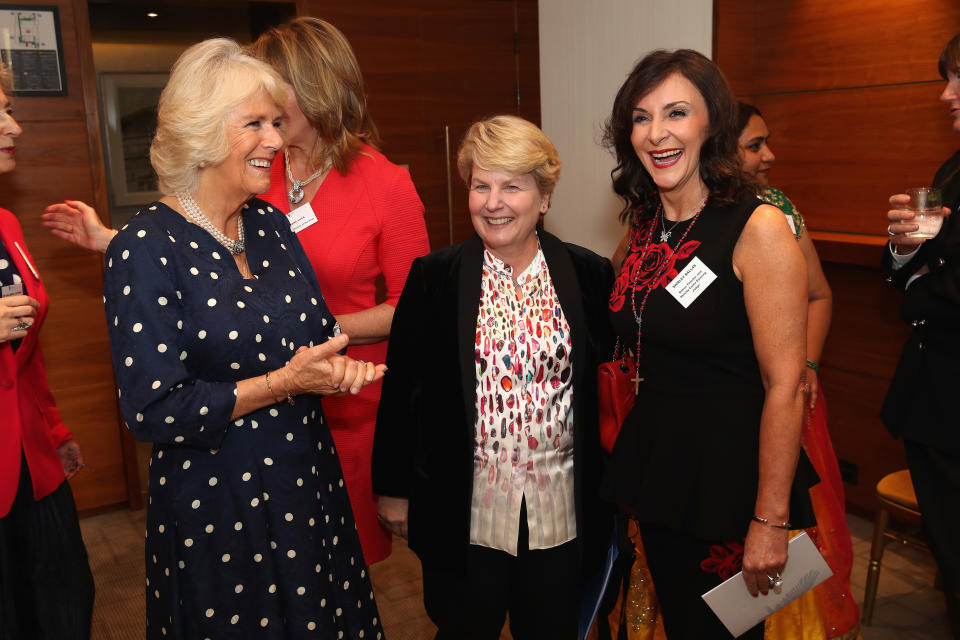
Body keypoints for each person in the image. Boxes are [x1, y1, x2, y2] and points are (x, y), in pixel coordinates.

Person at [43, 16, 430, 566]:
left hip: (340, 401)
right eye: (254, 115)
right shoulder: (252, 177)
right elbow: (192, 256)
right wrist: (116, 244)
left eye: (274, 101)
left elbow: (411, 309)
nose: (268, 130)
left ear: (313, 87)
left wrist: (316, 345)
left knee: (334, 568)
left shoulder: (376, 184)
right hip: (244, 423)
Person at [100, 39, 385, 639]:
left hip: (306, 485)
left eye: (277, 123)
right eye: (254, 123)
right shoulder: (145, 247)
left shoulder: (271, 224)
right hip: (219, 506)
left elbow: (311, 334)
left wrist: (331, 371)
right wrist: (284, 383)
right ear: (202, 136)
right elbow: (153, 410)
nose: (276, 141)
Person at [600, 49, 818, 639]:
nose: (658, 133)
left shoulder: (759, 227)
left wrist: (769, 520)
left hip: (728, 481)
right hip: (662, 465)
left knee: (721, 632)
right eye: (641, 117)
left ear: (712, 124)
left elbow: (785, 385)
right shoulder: (647, 222)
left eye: (677, 113)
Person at [372, 115, 614, 639]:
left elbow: (608, 393)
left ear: (544, 197)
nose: (493, 201)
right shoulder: (435, 278)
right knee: (463, 629)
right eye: (481, 185)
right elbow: (402, 392)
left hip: (561, 512)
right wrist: (392, 490)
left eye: (512, 186)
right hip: (468, 510)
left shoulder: (590, 276)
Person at [736, 102, 859, 640]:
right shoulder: (670, 215)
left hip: (781, 399)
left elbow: (819, 295)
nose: (770, 156)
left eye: (767, 142)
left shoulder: (776, 210)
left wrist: (804, 362)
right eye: (754, 145)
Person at [0, 64, 95, 640]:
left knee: (63, 605)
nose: (15, 126)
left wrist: (56, 432)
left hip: (32, 468)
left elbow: (25, 357)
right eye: (1, 110)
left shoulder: (6, 222)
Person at [882, 32, 960, 638]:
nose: (945, 94)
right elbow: (929, 256)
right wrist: (906, 250)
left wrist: (919, 289)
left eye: (959, 79)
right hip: (936, 396)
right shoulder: (952, 167)